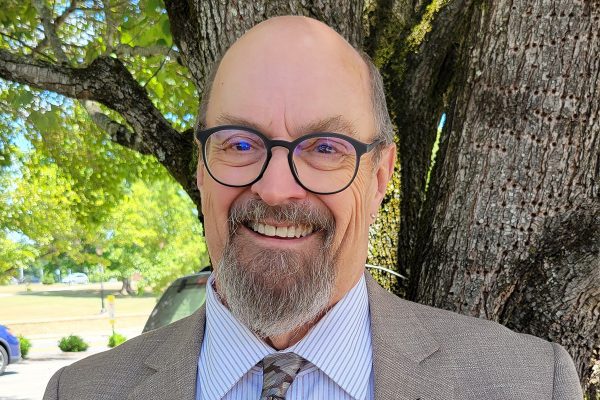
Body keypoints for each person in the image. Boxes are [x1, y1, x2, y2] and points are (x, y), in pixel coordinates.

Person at [43, 16, 583, 400]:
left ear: (379, 175)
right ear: (201, 167)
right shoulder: (82, 392)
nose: (276, 189)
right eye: (239, 142)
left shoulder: (529, 383)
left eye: (325, 148)